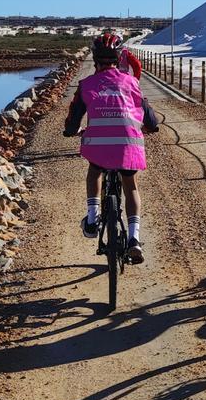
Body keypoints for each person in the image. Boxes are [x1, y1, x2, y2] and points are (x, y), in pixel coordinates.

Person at [64, 32, 160, 264]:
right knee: (130, 186)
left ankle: (91, 219)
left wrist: (71, 132)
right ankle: (134, 239)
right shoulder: (131, 82)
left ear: (95, 60)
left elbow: (74, 118)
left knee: (95, 171)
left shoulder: (86, 84)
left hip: (98, 146)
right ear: (118, 59)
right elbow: (151, 120)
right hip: (129, 144)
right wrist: (148, 127)